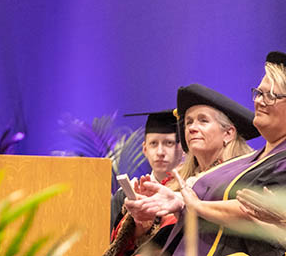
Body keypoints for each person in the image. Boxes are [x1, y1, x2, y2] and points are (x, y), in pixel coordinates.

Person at [125, 74, 282, 255]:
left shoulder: (243, 174)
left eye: (203, 120)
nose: (191, 127)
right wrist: (143, 222)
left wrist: (190, 204)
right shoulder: (175, 183)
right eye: (189, 122)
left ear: (228, 133)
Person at [105, 111, 186, 256]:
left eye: (168, 143)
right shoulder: (125, 196)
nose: (160, 152)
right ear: (145, 149)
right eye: (153, 144)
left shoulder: (188, 193)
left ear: (182, 149)